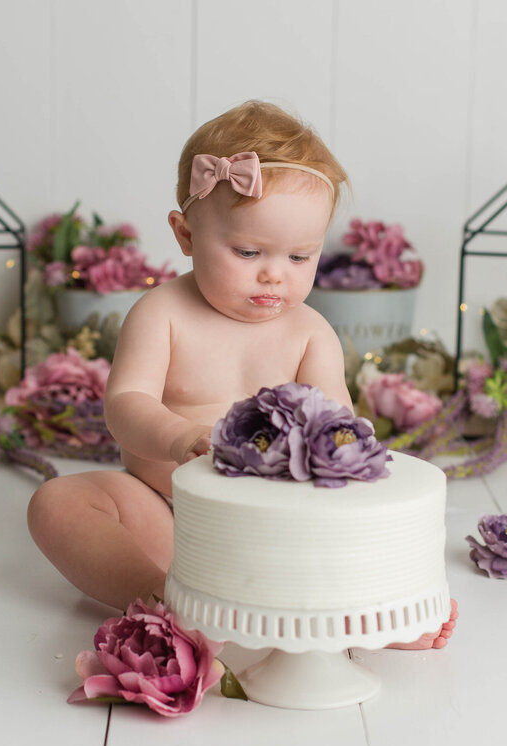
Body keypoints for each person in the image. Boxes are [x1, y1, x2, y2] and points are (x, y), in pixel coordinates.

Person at [28, 100, 456, 649]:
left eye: (301, 257)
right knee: (57, 503)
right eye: (248, 250)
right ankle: (159, 595)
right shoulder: (160, 314)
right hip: (167, 515)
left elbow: (338, 428)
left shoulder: (310, 332)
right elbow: (125, 403)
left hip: (277, 531)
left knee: (343, 532)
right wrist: (178, 436)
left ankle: (368, 613)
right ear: (185, 236)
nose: (275, 273)